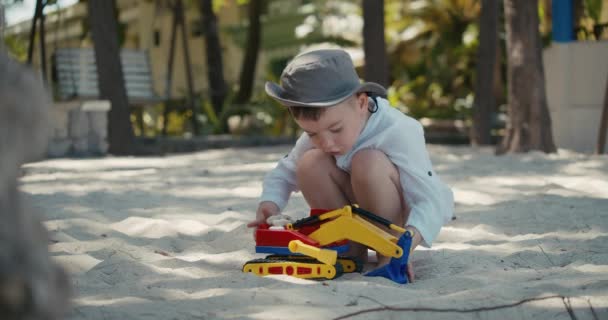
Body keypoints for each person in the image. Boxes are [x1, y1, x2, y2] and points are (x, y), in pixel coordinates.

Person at [247, 48, 454, 281]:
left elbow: (431, 198)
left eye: (336, 129)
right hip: (354, 218)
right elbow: (286, 171)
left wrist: (407, 243)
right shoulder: (322, 136)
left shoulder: (397, 130)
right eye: (312, 133)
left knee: (367, 161)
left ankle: (387, 255)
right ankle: (350, 251)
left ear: (361, 103)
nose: (326, 142)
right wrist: (270, 203)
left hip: (396, 226)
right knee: (309, 162)